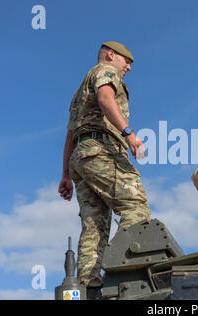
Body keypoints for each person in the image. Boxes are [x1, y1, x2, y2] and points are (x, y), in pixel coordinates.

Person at [58, 41, 151, 299]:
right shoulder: (105, 70)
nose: (129, 68)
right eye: (127, 61)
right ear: (111, 55)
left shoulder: (79, 91)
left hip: (81, 156)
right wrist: (129, 133)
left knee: (94, 227)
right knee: (135, 207)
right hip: (101, 148)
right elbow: (106, 98)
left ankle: (89, 288)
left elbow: (69, 134)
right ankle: (125, 273)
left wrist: (66, 174)